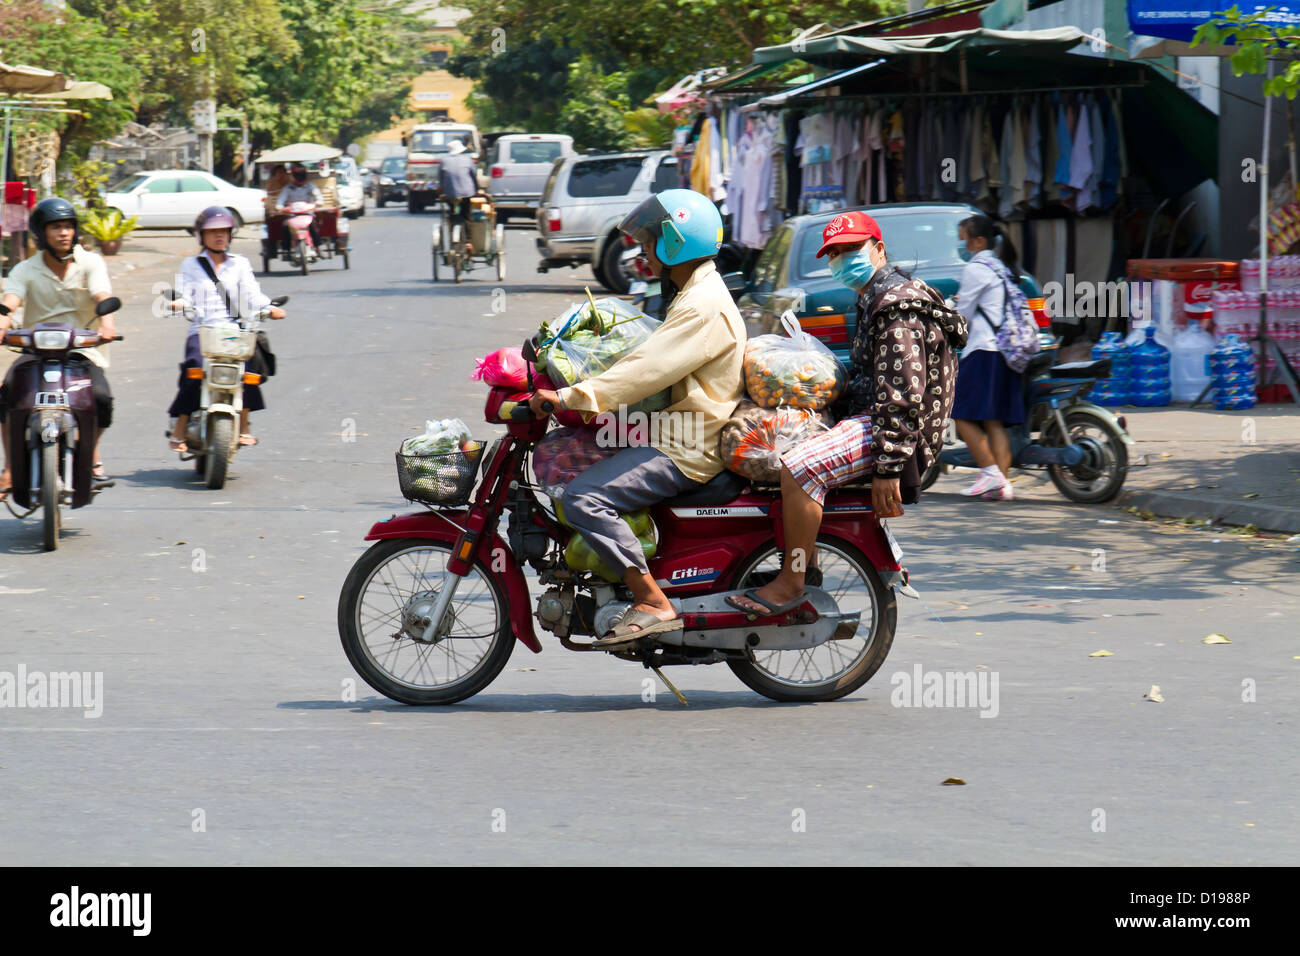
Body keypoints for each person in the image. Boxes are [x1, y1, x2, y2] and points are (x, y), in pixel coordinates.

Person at [527, 188, 746, 647]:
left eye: (651, 241)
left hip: (685, 445)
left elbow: (647, 371)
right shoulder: (691, 291)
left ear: (676, 243)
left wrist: (571, 396)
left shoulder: (703, 304)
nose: (644, 250)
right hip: (670, 430)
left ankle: (652, 600)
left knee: (583, 496)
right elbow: (644, 354)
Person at [727, 211, 966, 616]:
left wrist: (890, 466)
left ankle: (792, 580)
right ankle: (807, 565)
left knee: (798, 466)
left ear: (878, 249)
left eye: (851, 249)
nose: (841, 259)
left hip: (895, 432)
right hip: (878, 420)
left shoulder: (896, 307)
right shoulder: (877, 295)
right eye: (834, 253)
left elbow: (903, 394)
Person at [0, 198, 118, 501]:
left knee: (101, 398)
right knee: (6, 396)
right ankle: (11, 467)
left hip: (81, 349)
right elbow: (11, 299)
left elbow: (102, 293)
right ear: (41, 233)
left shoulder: (91, 263)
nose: (64, 233)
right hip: (35, 350)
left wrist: (107, 324)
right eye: (56, 227)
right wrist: (2, 323)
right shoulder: (26, 269)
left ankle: (90, 449)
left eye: (68, 226)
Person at [166, 206, 283, 452]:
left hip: (233, 331)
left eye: (224, 231)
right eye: (212, 232)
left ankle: (244, 425)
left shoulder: (240, 263)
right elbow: (185, 292)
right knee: (194, 370)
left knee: (247, 372)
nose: (219, 236)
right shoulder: (191, 264)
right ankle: (180, 428)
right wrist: (179, 303)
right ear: (201, 235)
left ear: (231, 234)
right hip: (203, 330)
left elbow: (252, 294)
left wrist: (269, 307)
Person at [950, 215, 1027, 501]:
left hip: (983, 350)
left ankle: (989, 472)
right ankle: (1002, 485)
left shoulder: (976, 268)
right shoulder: (999, 266)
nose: (961, 244)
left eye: (964, 238)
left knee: (958, 412)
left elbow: (964, 314)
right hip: (1005, 351)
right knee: (992, 420)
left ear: (978, 241)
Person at [438, 140, 478, 252]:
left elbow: (440, 180)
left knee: (452, 214)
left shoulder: (444, 161)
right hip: (467, 193)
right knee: (467, 215)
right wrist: (477, 189)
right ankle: (469, 242)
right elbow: (473, 176)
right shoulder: (468, 160)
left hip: (450, 194)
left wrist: (441, 192)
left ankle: (452, 241)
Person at [276, 163, 323, 258]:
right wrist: (279, 206)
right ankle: (286, 250)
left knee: (313, 226)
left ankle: (318, 247)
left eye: (302, 174)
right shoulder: (288, 188)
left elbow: (318, 196)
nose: (300, 177)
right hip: (292, 215)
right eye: (298, 174)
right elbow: (281, 200)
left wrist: (318, 202)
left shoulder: (310, 186)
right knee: (285, 227)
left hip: (307, 214)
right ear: (293, 175)